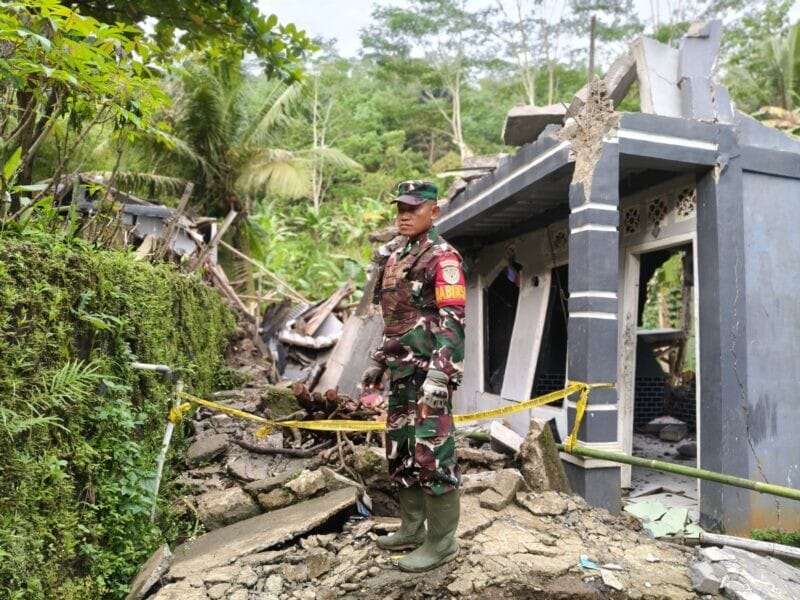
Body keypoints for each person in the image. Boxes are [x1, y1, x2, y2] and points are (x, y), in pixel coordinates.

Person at [361, 180, 466, 573]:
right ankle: (411, 528)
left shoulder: (444, 259)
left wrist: (441, 376)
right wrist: (378, 361)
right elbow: (395, 320)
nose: (404, 215)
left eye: (413, 208)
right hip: (401, 374)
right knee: (403, 450)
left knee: (434, 454)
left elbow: (454, 322)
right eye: (400, 208)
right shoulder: (396, 258)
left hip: (429, 376)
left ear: (433, 212)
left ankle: (441, 542)